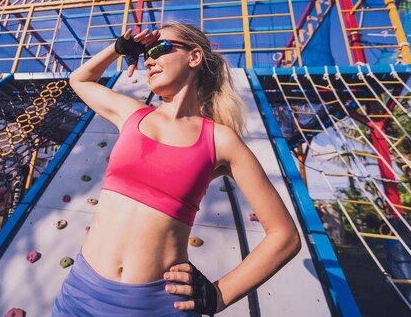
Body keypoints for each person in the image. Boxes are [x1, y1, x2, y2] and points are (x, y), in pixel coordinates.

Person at [52, 22, 301, 316]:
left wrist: (220, 295)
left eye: (159, 49)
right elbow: (80, 80)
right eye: (145, 55)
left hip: (156, 306)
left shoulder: (220, 140)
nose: (149, 61)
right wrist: (118, 49)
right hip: (80, 295)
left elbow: (285, 236)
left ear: (194, 57)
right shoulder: (132, 114)